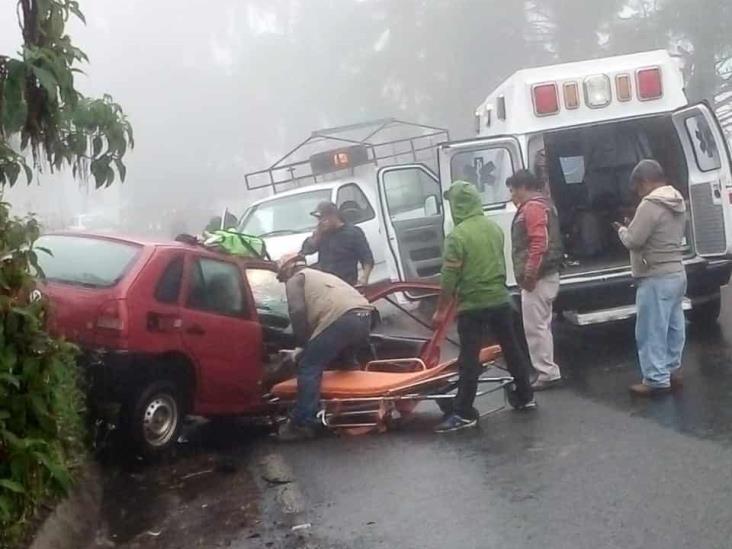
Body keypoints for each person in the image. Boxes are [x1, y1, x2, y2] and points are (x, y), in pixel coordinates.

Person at [432, 180, 535, 433]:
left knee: (469, 359)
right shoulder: (493, 228)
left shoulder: (457, 237)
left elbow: (449, 277)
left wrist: (441, 309)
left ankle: (464, 411)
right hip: (500, 299)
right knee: (512, 350)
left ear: (457, 205)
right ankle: (525, 395)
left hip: (473, 304)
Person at [276, 253, 375, 440]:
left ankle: (303, 423)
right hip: (364, 316)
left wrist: (301, 344)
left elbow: (297, 311)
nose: (284, 282)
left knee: (309, 366)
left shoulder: (296, 279)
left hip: (342, 319)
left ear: (287, 269)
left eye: (282, 277)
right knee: (346, 365)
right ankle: (359, 409)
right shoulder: (322, 276)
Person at [613, 159, 687, 396]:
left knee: (651, 329)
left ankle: (655, 378)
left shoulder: (650, 204)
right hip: (676, 271)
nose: (637, 192)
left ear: (644, 182)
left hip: (655, 275)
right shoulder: (677, 200)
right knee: (674, 326)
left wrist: (622, 230)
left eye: (637, 187)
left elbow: (634, 240)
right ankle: (671, 369)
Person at [506, 170, 564, 391]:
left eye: (513, 190)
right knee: (542, 325)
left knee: (535, 327)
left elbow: (539, 242)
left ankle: (547, 372)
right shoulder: (543, 205)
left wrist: (530, 274)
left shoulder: (532, 208)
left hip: (538, 278)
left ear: (523, 188)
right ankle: (548, 369)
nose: (512, 195)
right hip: (546, 275)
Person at [300, 201, 374, 286]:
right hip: (326, 282)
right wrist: (317, 235)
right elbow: (306, 250)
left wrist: (365, 278)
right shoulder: (322, 233)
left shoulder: (353, 232)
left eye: (323, 219)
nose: (321, 222)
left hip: (346, 283)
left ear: (333, 216)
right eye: (319, 219)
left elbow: (367, 258)